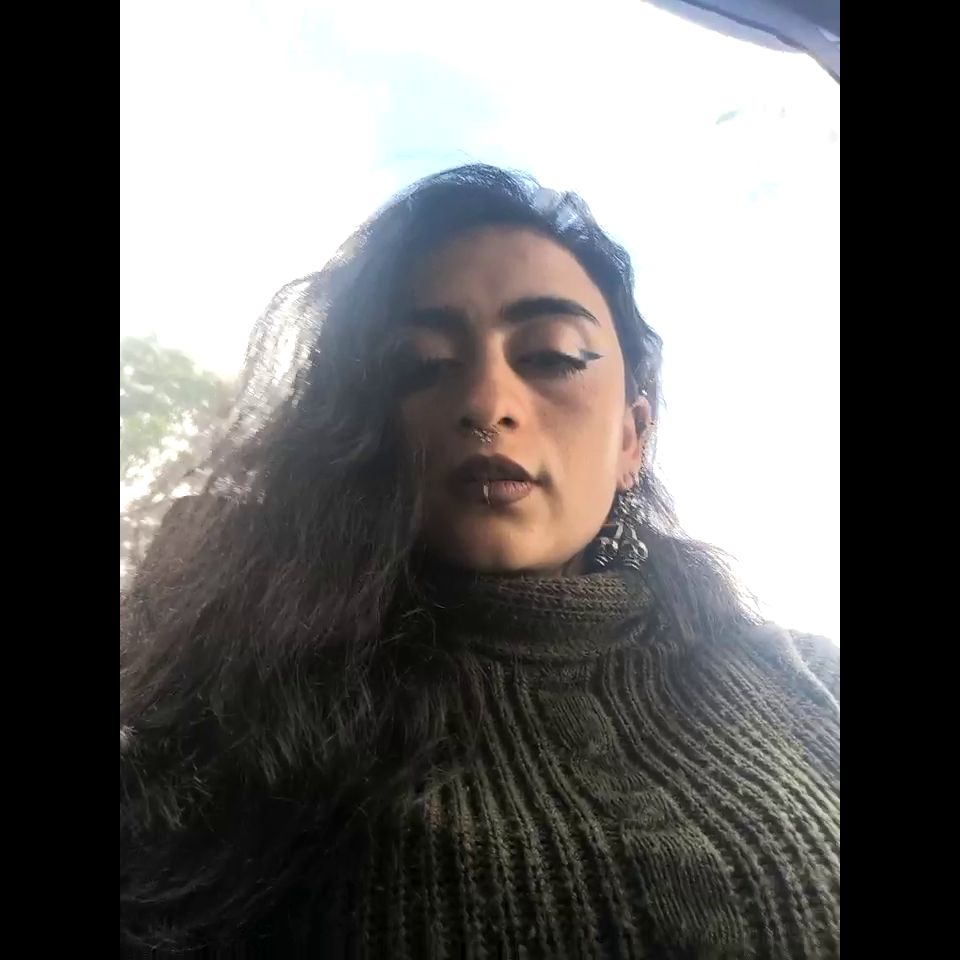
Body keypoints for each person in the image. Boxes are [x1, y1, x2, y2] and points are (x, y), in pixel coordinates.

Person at [120, 165, 839, 959]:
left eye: (553, 356)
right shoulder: (235, 717)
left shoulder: (812, 681)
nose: (487, 403)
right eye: (421, 364)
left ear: (631, 438)